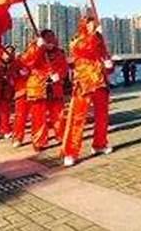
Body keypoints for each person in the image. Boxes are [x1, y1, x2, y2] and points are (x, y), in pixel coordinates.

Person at [62, 15, 114, 167]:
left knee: (102, 116)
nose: (92, 26)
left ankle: (100, 144)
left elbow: (104, 57)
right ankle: (71, 152)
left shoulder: (99, 40)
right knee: (78, 118)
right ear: (84, 25)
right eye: (90, 24)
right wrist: (93, 36)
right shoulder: (78, 40)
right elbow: (83, 50)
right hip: (84, 82)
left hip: (100, 82)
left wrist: (109, 65)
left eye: (94, 24)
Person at [21, 29, 69, 151]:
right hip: (38, 86)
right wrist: (38, 48)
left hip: (55, 86)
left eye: (52, 40)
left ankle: (61, 136)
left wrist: (59, 75)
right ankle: (39, 142)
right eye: (48, 40)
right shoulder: (34, 48)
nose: (50, 42)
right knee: (38, 117)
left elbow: (64, 67)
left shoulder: (59, 52)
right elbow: (27, 62)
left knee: (58, 115)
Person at [10, 48, 30, 148]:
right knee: (20, 116)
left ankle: (38, 140)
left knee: (38, 117)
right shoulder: (17, 62)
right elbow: (12, 74)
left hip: (36, 91)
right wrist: (18, 73)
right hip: (21, 92)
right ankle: (18, 138)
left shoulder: (39, 57)